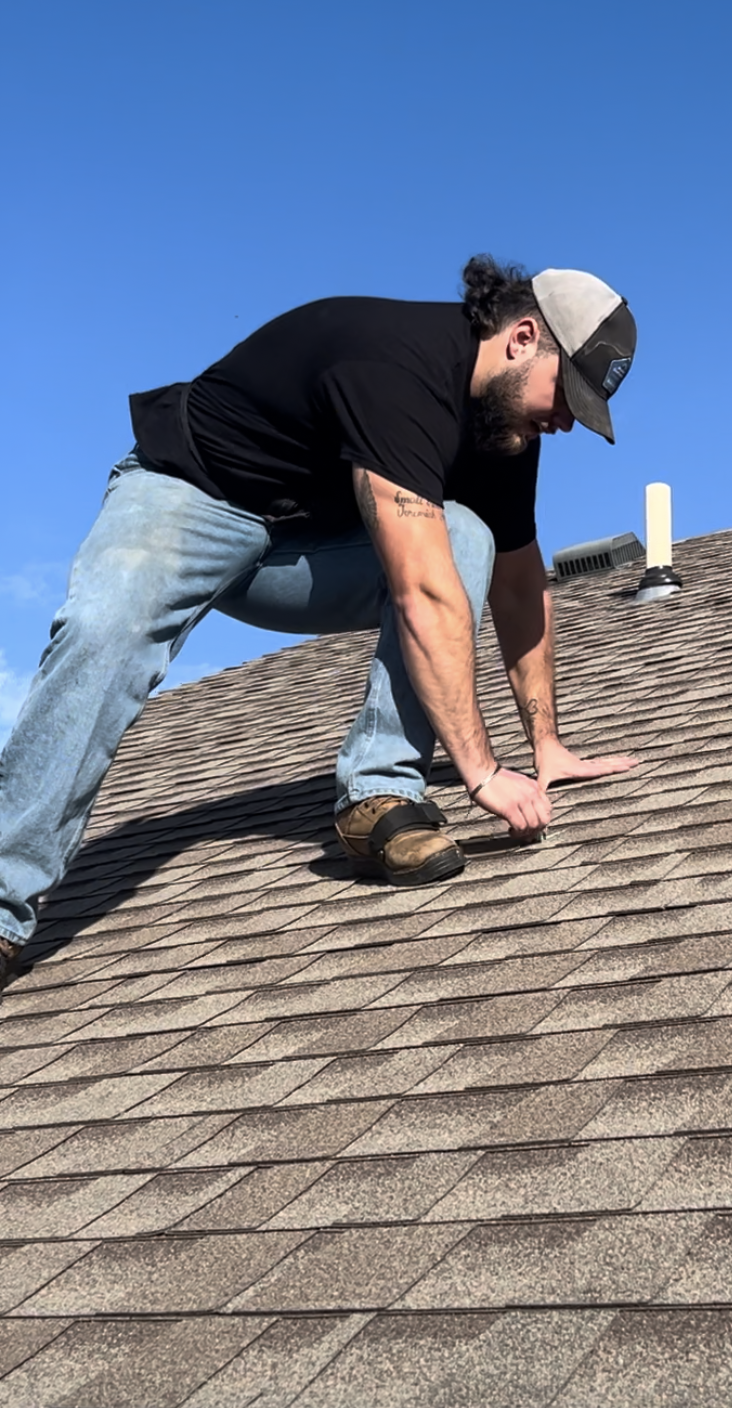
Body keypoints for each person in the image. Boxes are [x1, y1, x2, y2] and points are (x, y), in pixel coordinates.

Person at [0, 256, 639, 991]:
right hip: (188, 501)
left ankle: (380, 795)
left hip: (300, 557)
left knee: (467, 536)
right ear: (524, 337)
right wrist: (483, 771)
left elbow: (522, 588)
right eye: (569, 397)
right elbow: (424, 593)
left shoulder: (504, 430)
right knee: (104, 627)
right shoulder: (394, 363)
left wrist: (546, 743)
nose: (565, 423)